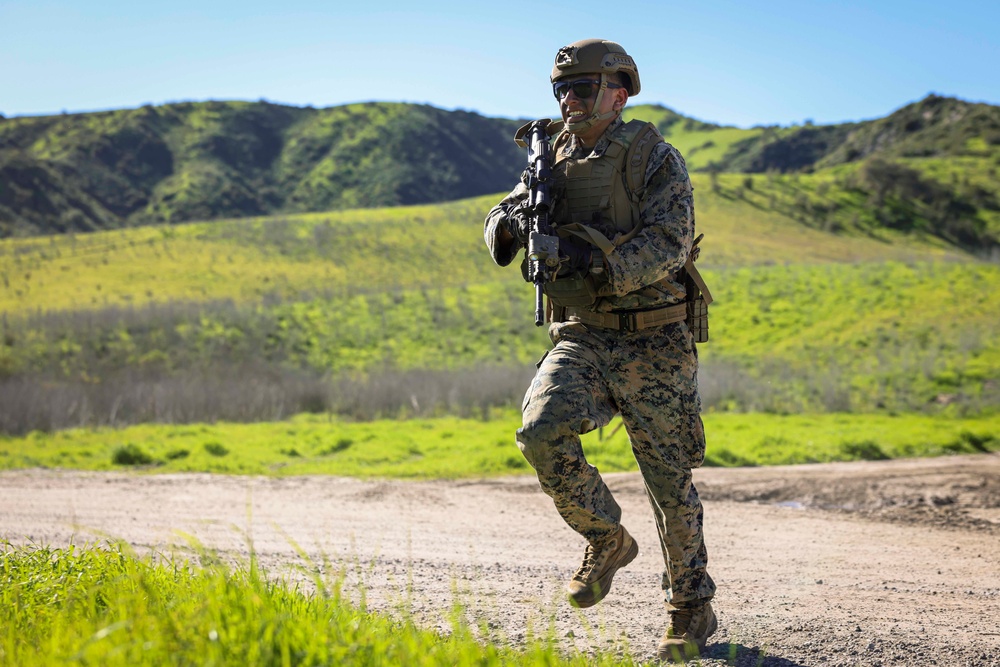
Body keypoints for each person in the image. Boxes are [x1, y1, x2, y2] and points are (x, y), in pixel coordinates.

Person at [483, 38, 717, 661]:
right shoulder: (549, 158)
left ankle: (689, 609)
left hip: (654, 337)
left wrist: (590, 259)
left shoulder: (654, 159)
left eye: (583, 89)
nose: (569, 100)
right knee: (539, 432)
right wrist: (506, 225)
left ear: (618, 92)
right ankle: (606, 536)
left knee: (669, 481)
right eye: (561, 89)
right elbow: (503, 215)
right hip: (584, 334)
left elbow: (669, 243)